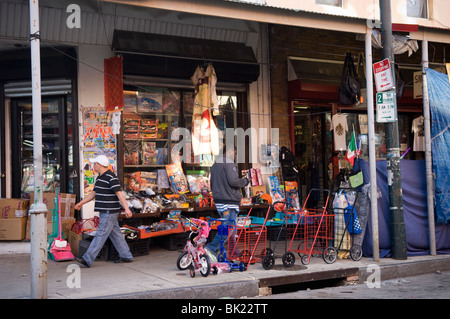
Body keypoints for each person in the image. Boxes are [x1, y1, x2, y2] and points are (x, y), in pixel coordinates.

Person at [74, 155, 133, 267]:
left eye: (94, 164)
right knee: (115, 234)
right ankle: (126, 255)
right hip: (105, 210)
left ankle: (87, 259)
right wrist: (81, 203)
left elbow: (119, 194)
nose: (93, 166)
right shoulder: (100, 177)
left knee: (101, 234)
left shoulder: (111, 177)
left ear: (99, 165)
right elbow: (94, 193)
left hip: (109, 211)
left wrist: (126, 208)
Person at [206, 146, 249, 257]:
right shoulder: (228, 163)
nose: (235, 156)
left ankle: (234, 252)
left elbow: (212, 182)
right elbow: (234, 182)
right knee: (228, 229)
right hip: (228, 201)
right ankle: (210, 248)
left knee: (231, 229)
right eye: (235, 153)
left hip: (220, 199)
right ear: (229, 151)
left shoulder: (216, 164)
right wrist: (245, 181)